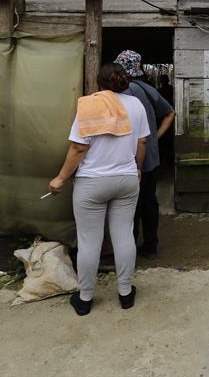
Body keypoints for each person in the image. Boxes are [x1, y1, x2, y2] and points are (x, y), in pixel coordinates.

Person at [49, 63, 149, 316]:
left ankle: (85, 299)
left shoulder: (90, 104)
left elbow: (79, 148)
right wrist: (137, 169)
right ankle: (125, 294)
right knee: (124, 235)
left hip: (92, 182)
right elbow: (142, 141)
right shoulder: (136, 105)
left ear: (99, 83)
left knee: (89, 241)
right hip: (126, 179)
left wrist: (60, 178)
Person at [115, 50, 176, 259]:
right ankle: (150, 245)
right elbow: (170, 113)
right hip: (151, 156)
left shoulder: (125, 91)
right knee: (149, 200)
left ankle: (128, 249)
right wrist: (155, 137)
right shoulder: (149, 89)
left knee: (130, 205)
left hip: (132, 157)